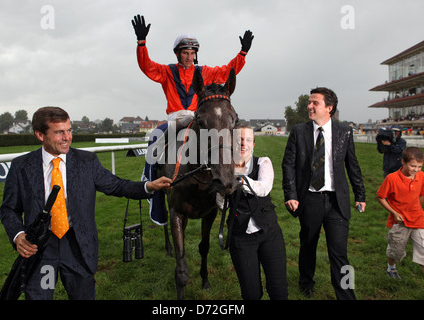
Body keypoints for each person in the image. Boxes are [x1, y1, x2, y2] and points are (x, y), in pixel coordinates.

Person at [0, 106, 172, 300]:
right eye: (59, 132)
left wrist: (148, 186)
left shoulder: (86, 161)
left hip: (78, 248)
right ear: (40, 135)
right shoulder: (21, 166)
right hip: (40, 251)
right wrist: (18, 235)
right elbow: (9, 209)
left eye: (69, 130)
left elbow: (117, 186)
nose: (67, 137)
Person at [132, 14, 253, 225]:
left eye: (192, 53)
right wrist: (141, 43)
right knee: (155, 137)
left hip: (199, 117)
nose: (189, 57)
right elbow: (147, 67)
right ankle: (150, 178)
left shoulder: (204, 71)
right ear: (178, 54)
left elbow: (228, 71)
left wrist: (242, 53)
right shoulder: (167, 71)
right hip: (176, 117)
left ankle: (227, 182)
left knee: (222, 140)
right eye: (185, 53)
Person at [282, 87, 366, 300]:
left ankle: (347, 293)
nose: (309, 106)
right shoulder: (299, 131)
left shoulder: (344, 132)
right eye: (309, 102)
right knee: (308, 246)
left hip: (337, 201)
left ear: (329, 108)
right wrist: (290, 194)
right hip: (309, 199)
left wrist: (361, 194)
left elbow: (352, 165)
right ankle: (305, 285)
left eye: (315, 103)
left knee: (340, 253)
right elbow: (288, 165)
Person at [217, 126, 288, 300]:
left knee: (278, 290)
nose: (243, 143)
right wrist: (221, 190)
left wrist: (240, 179)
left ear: (253, 144)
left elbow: (264, 188)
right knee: (251, 294)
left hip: (269, 232)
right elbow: (222, 206)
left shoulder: (263, 162)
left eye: (248, 140)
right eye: (239, 139)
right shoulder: (224, 171)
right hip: (240, 237)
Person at [376, 147, 424, 279]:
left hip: (418, 219)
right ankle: (391, 268)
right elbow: (380, 196)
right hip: (400, 220)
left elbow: (421, 195)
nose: (416, 170)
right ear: (403, 162)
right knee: (395, 250)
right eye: (413, 166)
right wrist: (394, 212)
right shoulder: (392, 178)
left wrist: (416, 208)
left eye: (419, 166)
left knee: (423, 249)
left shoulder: (421, 176)